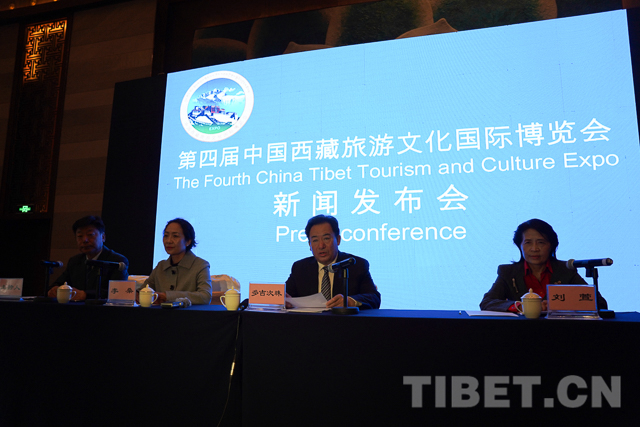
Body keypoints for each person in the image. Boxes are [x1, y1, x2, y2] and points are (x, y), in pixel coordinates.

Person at [480, 218, 608, 312]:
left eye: (541, 242)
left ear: (551, 246)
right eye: (528, 243)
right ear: (520, 246)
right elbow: (487, 302)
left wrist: (557, 305)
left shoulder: (565, 270)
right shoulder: (508, 272)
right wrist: (520, 306)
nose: (534, 249)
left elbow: (600, 303)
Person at [285, 215, 381, 309]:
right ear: (309, 245)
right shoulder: (300, 268)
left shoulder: (356, 265)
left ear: (338, 240)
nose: (321, 246)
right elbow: (286, 295)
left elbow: (374, 297)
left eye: (326, 238)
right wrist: (283, 300)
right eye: (315, 240)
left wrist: (350, 301)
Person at [49, 216, 129, 301]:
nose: (85, 240)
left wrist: (85, 295)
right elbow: (59, 283)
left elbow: (118, 291)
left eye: (90, 235)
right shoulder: (75, 261)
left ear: (103, 237)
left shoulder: (117, 261)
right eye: (80, 236)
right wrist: (55, 289)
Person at [143, 218, 212, 305]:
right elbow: (143, 290)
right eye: (166, 235)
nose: (168, 241)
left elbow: (205, 297)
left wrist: (167, 296)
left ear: (188, 241)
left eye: (175, 236)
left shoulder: (200, 265)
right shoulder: (161, 266)